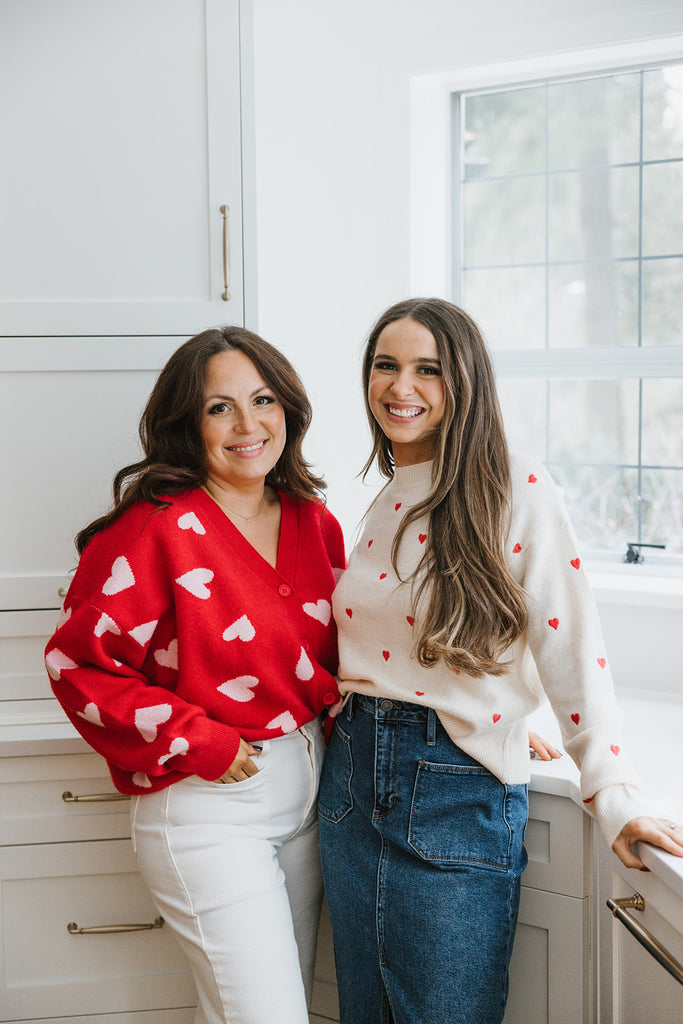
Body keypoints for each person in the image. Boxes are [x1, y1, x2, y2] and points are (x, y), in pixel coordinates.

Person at [317, 297, 683, 1024]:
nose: (401, 387)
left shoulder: (514, 485)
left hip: (453, 792)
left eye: (429, 369)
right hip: (351, 779)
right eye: (384, 366)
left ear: (466, 382)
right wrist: (496, 700)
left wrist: (611, 788)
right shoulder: (386, 498)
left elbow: (568, 640)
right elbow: (398, 648)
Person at [44, 326, 345, 1024]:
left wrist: (475, 714)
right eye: (219, 408)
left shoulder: (313, 520)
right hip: (209, 802)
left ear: (288, 410)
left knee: (275, 1006)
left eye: (263, 399)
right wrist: (202, 742)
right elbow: (78, 665)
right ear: (187, 423)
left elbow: (358, 649)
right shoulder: (153, 531)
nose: (248, 424)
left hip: (309, 791)